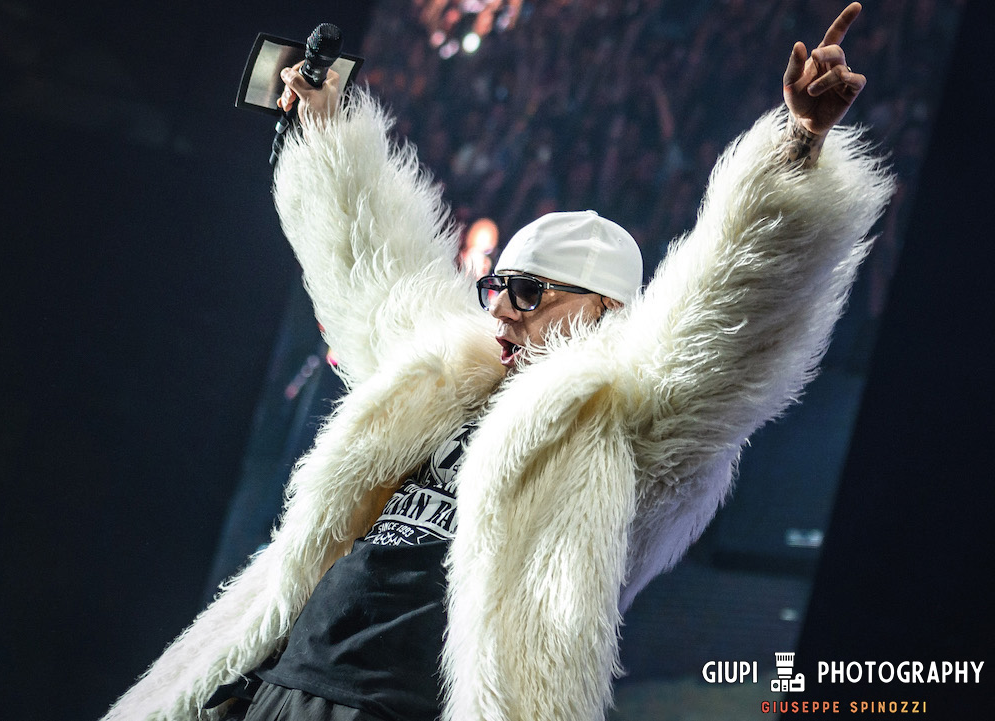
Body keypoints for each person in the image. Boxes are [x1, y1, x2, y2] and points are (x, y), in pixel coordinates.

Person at [103, 4, 893, 720]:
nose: (502, 308)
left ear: (604, 311)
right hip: (278, 688)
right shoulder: (448, 375)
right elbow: (371, 264)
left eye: (528, 290)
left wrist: (798, 145)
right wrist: (321, 127)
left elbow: (726, 310)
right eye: (496, 287)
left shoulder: (623, 421)